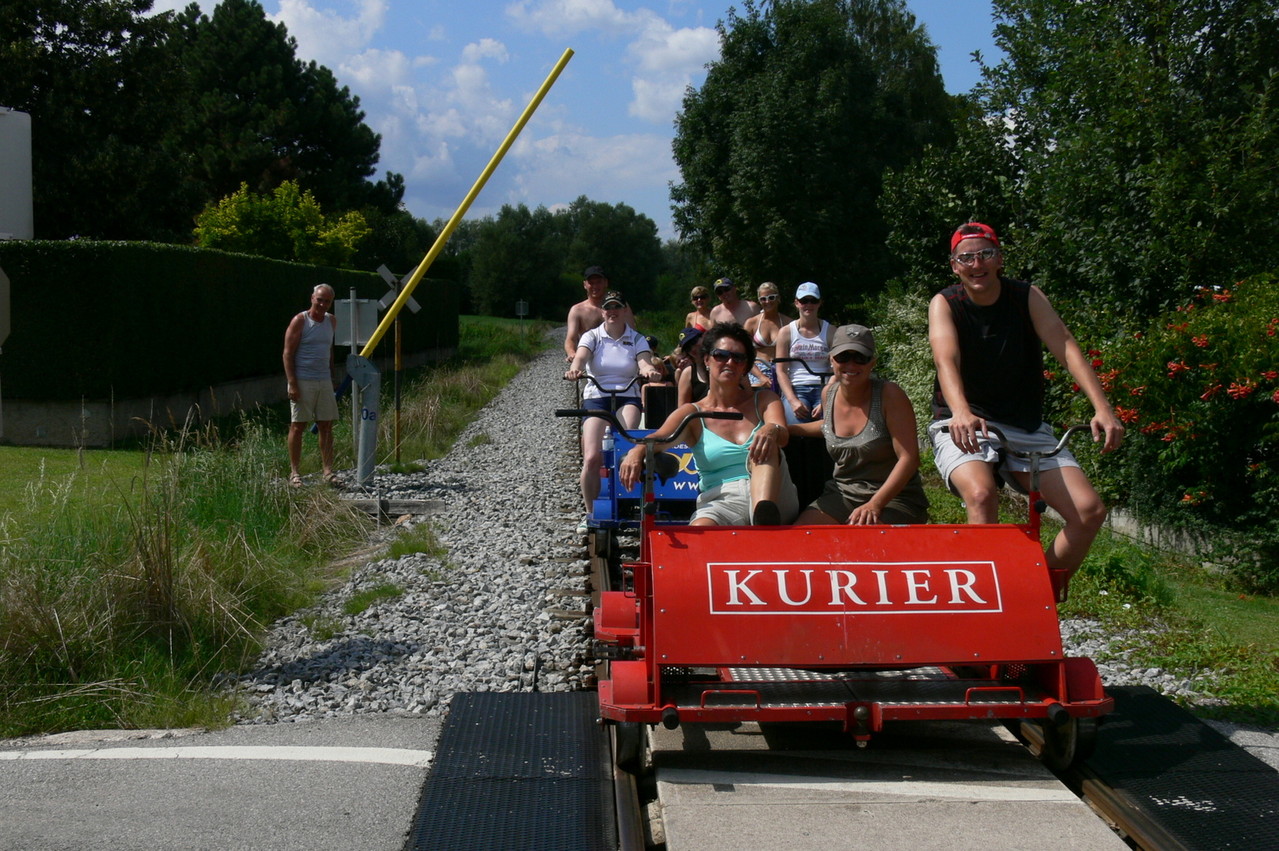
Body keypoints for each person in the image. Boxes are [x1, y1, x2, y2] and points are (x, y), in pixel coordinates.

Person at [928, 222, 1124, 596]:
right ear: (955, 266)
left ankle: (1034, 598)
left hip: (1024, 424)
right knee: (982, 496)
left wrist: (1102, 407)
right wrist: (962, 410)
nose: (976, 263)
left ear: (999, 258)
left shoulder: (1026, 296)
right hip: (963, 419)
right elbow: (946, 360)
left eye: (985, 253)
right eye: (966, 257)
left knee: (1088, 512)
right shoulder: (946, 303)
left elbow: (1064, 345)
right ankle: (982, 603)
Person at [619, 323, 798, 526]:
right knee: (698, 532)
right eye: (721, 355)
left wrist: (770, 429)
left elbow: (782, 434)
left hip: (775, 496)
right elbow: (659, 438)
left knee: (767, 441)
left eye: (738, 358)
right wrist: (636, 452)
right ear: (706, 360)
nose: (729, 362)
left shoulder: (765, 400)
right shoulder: (692, 414)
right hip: (723, 501)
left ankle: (763, 523)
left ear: (745, 366)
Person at [789, 325, 928, 525]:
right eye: (843, 357)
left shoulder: (890, 395)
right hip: (842, 493)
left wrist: (875, 504)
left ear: (872, 363)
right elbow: (827, 426)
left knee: (859, 545)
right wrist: (785, 429)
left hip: (894, 498)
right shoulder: (829, 394)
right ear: (831, 359)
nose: (851, 365)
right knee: (800, 540)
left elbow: (909, 459)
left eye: (860, 358)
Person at [565, 290, 661, 534]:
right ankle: (589, 513)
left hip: (627, 395)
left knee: (627, 445)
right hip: (597, 397)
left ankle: (630, 501)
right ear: (603, 311)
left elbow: (643, 360)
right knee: (591, 458)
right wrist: (575, 369)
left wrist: (649, 370)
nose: (612, 311)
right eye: (608, 307)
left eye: (617, 306)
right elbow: (581, 356)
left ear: (624, 310)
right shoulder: (593, 336)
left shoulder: (636, 338)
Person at [283, 284, 338, 487]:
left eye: (327, 301)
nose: (322, 304)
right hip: (302, 379)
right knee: (298, 426)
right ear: (312, 298)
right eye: (320, 299)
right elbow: (287, 353)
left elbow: (329, 350)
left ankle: (327, 471)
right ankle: (295, 473)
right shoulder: (300, 321)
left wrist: (332, 376)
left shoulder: (331, 321)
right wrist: (292, 383)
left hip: (323, 379)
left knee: (326, 425)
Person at [775, 281, 833, 424]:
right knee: (794, 423)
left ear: (820, 303)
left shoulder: (831, 331)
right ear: (796, 303)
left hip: (824, 387)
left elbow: (837, 369)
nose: (808, 305)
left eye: (813, 300)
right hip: (796, 387)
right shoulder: (786, 332)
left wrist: (827, 399)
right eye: (804, 301)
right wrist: (793, 400)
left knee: (831, 423)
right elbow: (781, 370)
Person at [564, 265, 635, 361]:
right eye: (591, 283)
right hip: (590, 359)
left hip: (620, 356)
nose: (595, 286)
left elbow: (632, 333)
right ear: (585, 284)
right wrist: (572, 353)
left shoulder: (620, 306)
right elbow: (571, 338)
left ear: (606, 283)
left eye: (598, 282)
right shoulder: (577, 310)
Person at [743, 281, 790, 390]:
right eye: (763, 299)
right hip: (757, 369)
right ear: (759, 301)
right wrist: (761, 376)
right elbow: (743, 354)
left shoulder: (788, 322)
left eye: (771, 297)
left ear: (778, 298)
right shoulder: (751, 323)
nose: (767, 301)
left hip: (781, 369)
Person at [674, 326, 710, 405]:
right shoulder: (688, 373)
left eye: (694, 342)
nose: (693, 349)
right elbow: (682, 409)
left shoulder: (721, 361)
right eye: (688, 348)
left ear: (703, 337)